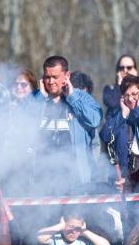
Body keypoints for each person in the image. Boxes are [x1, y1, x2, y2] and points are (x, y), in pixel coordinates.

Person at [35, 55, 103, 190]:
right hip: (43, 179)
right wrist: (40, 98)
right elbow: (24, 125)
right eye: (47, 77)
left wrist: (72, 97)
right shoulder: (38, 99)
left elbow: (95, 120)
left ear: (67, 75)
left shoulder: (81, 97)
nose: (51, 81)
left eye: (55, 77)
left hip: (75, 178)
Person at [99, 75, 139, 192]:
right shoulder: (121, 113)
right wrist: (123, 115)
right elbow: (105, 136)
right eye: (126, 95)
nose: (130, 99)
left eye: (134, 94)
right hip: (126, 178)